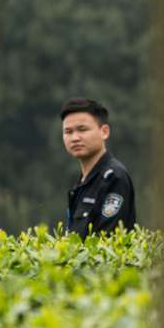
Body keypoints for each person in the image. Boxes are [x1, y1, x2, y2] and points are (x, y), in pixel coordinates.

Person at [60, 97, 136, 237]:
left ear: (104, 132)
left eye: (82, 129)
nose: (75, 137)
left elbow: (108, 241)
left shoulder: (114, 177)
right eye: (68, 132)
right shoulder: (83, 182)